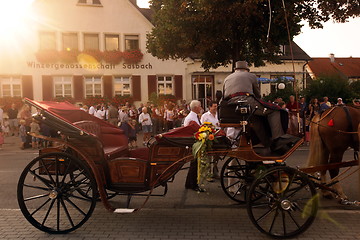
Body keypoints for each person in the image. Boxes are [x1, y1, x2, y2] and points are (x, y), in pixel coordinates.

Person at [223, 61, 284, 149]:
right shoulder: (251, 76)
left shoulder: (227, 78)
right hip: (246, 102)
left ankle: (266, 144)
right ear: (246, 69)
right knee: (275, 110)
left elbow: (224, 96)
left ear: (235, 69)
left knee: (256, 121)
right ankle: (277, 139)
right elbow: (257, 94)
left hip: (231, 107)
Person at [183, 100, 203, 191]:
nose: (201, 108)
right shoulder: (191, 118)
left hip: (195, 143)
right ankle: (193, 184)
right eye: (199, 106)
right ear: (195, 108)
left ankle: (189, 183)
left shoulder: (194, 116)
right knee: (194, 164)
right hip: (193, 144)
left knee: (194, 164)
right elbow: (189, 131)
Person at [200, 101, 220, 180]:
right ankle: (208, 174)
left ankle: (215, 172)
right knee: (208, 157)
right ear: (210, 107)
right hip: (209, 138)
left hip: (218, 138)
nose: (216, 108)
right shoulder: (205, 116)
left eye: (216, 106)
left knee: (217, 157)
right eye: (214, 106)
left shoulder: (219, 115)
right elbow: (202, 126)